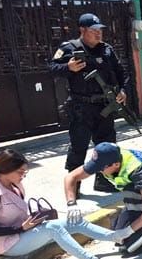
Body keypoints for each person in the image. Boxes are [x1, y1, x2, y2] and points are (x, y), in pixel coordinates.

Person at [0, 149, 129, 259]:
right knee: (53, 228)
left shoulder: (14, 184)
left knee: (75, 221)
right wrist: (21, 228)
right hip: (7, 244)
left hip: (24, 232)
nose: (23, 176)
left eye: (25, 172)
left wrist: (31, 221)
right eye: (20, 172)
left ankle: (117, 238)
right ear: (6, 169)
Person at [50, 13, 131, 195]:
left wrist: (123, 91)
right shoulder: (69, 48)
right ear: (82, 30)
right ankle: (74, 185)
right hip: (82, 107)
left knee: (107, 145)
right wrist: (67, 68)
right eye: (93, 30)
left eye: (99, 30)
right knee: (79, 146)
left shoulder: (107, 50)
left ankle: (104, 181)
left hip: (105, 106)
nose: (98, 34)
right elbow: (52, 69)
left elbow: (121, 72)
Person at [63, 142, 142, 256]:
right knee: (118, 235)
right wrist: (71, 204)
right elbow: (71, 177)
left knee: (131, 245)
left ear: (116, 165)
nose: (98, 170)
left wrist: (128, 231)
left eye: (101, 168)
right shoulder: (106, 158)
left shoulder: (137, 170)